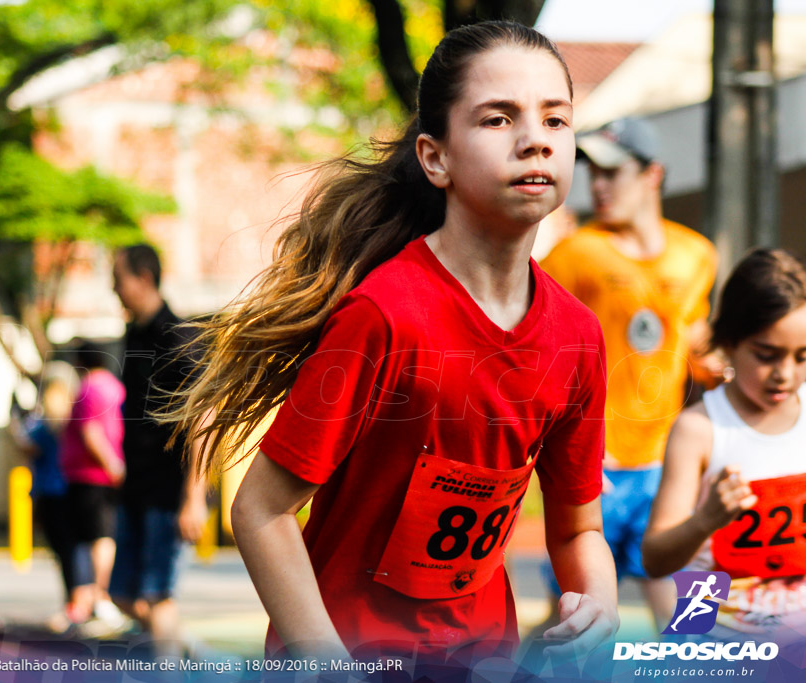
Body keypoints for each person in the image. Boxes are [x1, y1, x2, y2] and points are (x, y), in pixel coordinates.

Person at [160, 21, 618, 671]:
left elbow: (579, 529)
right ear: (436, 157)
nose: (535, 141)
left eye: (556, 120)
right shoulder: (384, 314)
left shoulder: (578, 336)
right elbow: (260, 511)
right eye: (497, 119)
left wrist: (597, 597)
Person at [539, 116, 720, 631]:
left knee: (692, 623)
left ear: (652, 175)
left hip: (666, 466)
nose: (597, 185)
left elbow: (686, 334)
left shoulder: (697, 255)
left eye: (612, 171)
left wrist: (712, 366)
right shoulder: (572, 256)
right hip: (593, 470)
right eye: (591, 171)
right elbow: (538, 350)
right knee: (576, 626)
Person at [643, 249, 806, 640]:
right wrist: (706, 520)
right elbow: (654, 558)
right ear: (730, 342)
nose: (783, 375)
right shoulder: (700, 428)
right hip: (711, 633)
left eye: (802, 357)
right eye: (766, 356)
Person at [109, 244, 208, 656]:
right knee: (120, 595)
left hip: (169, 493)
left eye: (118, 280)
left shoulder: (179, 337)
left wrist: (194, 498)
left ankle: (173, 665)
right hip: (136, 488)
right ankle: (195, 654)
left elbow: (205, 420)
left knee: (157, 598)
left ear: (144, 279)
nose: (113, 290)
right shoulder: (133, 334)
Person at [59, 341, 127, 633]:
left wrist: (110, 463)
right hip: (107, 473)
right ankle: (99, 594)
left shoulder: (88, 387)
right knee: (104, 533)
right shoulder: (115, 386)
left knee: (94, 537)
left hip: (89, 474)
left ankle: (97, 594)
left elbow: (90, 431)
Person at [9, 375, 78, 630]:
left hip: (50, 491)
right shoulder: (70, 423)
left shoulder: (46, 425)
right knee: (71, 550)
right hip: (70, 488)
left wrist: (14, 423)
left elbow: (27, 447)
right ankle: (77, 603)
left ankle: (72, 603)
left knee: (63, 552)